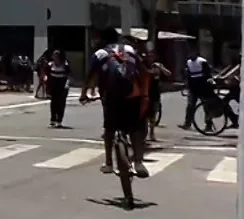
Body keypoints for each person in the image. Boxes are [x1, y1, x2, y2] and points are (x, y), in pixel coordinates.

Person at [83, 27, 148, 178]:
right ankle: (138, 162)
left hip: (111, 97)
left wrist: (83, 94)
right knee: (135, 129)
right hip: (132, 95)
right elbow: (143, 71)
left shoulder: (100, 53)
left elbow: (89, 76)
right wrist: (144, 94)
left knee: (109, 130)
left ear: (102, 39)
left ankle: (108, 163)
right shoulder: (129, 49)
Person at [181, 48, 212, 131]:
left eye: (192, 53)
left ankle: (208, 125)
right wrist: (186, 83)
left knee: (206, 107)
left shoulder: (202, 61)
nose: (190, 54)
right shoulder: (188, 62)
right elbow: (188, 74)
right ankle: (187, 124)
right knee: (190, 106)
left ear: (196, 53)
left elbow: (208, 73)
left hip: (202, 86)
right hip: (193, 87)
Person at [143, 52, 171, 142]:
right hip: (146, 92)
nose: (151, 58)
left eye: (152, 56)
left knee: (153, 115)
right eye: (149, 56)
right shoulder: (144, 65)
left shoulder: (158, 66)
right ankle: (144, 134)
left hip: (155, 94)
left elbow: (168, 74)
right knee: (144, 115)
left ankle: (152, 134)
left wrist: (160, 68)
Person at [45, 49, 71, 128]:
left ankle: (59, 120)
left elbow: (69, 76)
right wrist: (46, 79)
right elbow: (47, 74)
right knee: (53, 103)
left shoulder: (65, 64)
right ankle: (53, 119)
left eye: (56, 55)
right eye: (53, 55)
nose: (54, 57)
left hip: (62, 86)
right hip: (53, 85)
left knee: (61, 103)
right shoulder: (50, 65)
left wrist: (67, 84)